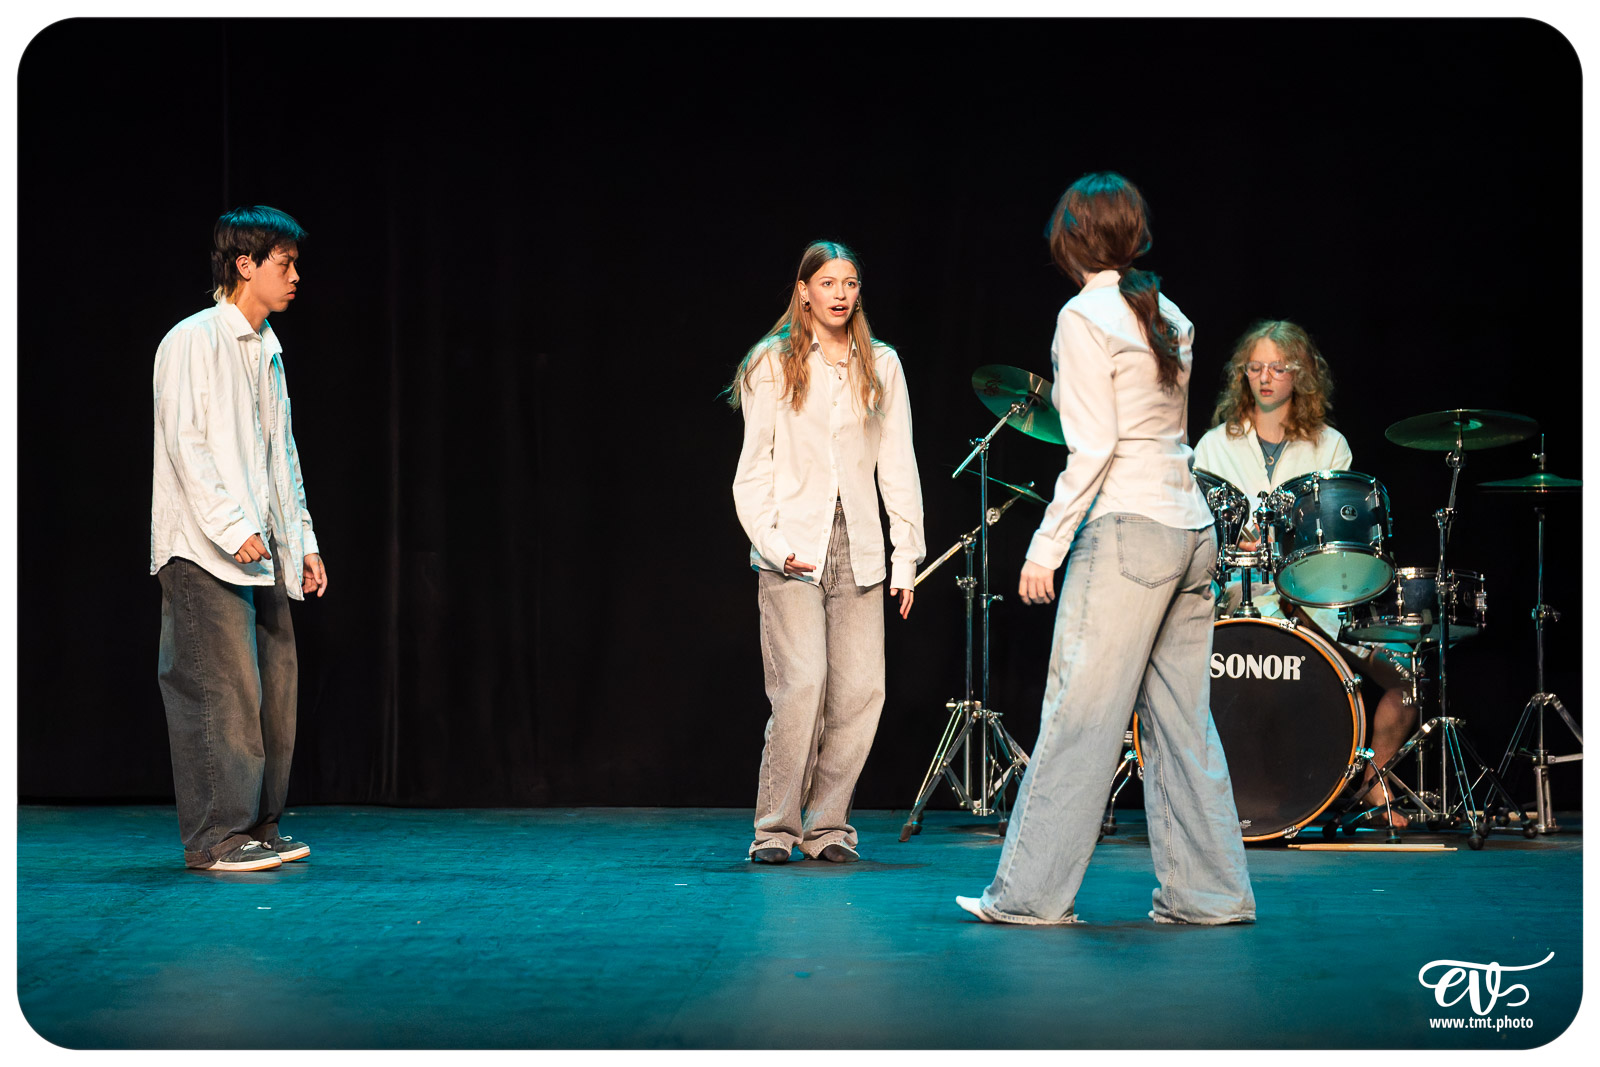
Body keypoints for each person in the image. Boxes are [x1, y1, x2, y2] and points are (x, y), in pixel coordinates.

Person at [957, 173, 1255, 924]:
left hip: (1129, 528)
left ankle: (1028, 897)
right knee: (1184, 726)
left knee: (1079, 720)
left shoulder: (1084, 315)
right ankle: (1212, 896)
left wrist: (1045, 545)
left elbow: (1093, 448)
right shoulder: (1169, 313)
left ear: (1071, 238)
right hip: (1189, 528)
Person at [729, 240, 925, 864]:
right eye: (828, 282)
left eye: (851, 283)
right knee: (802, 685)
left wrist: (906, 558)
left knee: (862, 693)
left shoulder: (881, 363)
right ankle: (775, 829)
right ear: (804, 290)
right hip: (794, 545)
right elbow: (752, 472)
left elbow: (898, 465)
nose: (841, 293)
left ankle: (828, 827)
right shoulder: (773, 360)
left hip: (859, 547)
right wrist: (773, 544)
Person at [150, 205, 327, 872]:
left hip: (263, 549)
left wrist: (302, 541)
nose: (295, 276)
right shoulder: (193, 340)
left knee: (273, 696)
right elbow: (185, 443)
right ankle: (216, 837)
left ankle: (258, 824)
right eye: (285, 263)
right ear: (245, 265)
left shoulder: (268, 350)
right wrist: (231, 525)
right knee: (218, 693)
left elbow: (282, 456)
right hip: (204, 549)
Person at [1193, 321, 1416, 826]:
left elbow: (1339, 540)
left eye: (1277, 368)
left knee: (1409, 678)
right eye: (1255, 367)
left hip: (1315, 602)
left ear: (1300, 373)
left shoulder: (1330, 445)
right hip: (1238, 599)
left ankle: (1374, 784)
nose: (1264, 377)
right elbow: (1199, 533)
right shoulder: (1212, 446)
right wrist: (1230, 543)